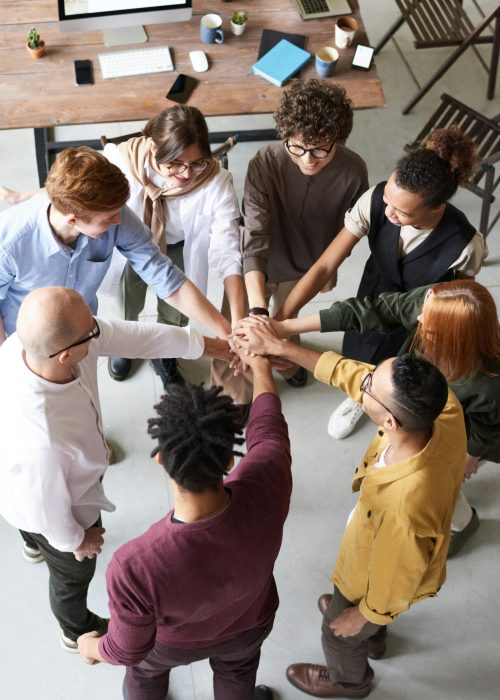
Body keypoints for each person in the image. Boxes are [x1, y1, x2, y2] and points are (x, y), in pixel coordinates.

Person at [232, 317, 466, 698]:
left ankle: (350, 680)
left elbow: (396, 581)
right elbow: (353, 375)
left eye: (371, 386)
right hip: (382, 550)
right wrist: (284, 348)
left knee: (337, 633)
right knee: (358, 614)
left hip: (376, 573)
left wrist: (363, 615)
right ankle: (375, 638)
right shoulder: (442, 406)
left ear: (389, 420)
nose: (363, 382)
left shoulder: (405, 509)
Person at [0, 286, 231, 652]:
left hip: (36, 480)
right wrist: (78, 540)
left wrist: (218, 347)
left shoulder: (28, 345)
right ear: (64, 355)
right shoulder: (43, 440)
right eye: (91, 332)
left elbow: (136, 337)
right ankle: (74, 629)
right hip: (49, 505)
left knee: (37, 531)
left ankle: (32, 544)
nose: (99, 330)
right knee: (71, 576)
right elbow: (43, 507)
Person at [77, 349, 291, 700]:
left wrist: (92, 649)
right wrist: (262, 365)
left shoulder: (134, 566)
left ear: (161, 459)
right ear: (228, 457)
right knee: (237, 673)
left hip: (170, 646)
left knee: (145, 675)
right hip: (250, 623)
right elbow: (269, 430)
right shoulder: (269, 478)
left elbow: (128, 649)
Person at [275, 125, 487, 438]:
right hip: (374, 291)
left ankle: (385, 405)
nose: (388, 213)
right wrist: (281, 319)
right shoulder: (374, 200)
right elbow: (324, 266)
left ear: (437, 207)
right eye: (387, 199)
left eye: (401, 211)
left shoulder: (466, 245)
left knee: (401, 372)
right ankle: (359, 396)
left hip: (419, 319)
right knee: (359, 347)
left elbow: (457, 299)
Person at [266, 279, 500, 555]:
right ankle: (463, 519)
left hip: (460, 438)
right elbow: (372, 311)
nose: (420, 317)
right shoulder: (432, 302)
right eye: (423, 309)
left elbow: (487, 431)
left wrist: (468, 460)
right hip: (416, 420)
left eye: (430, 325)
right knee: (441, 487)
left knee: (441, 487)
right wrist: (284, 328)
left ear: (454, 339)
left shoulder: (489, 383)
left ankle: (462, 523)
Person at [0, 146, 229, 345]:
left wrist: (227, 333)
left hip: (84, 332)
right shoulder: (9, 242)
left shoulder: (113, 212)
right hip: (22, 340)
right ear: (73, 221)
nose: (118, 221)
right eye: (109, 219)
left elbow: (164, 276)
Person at [102, 106, 249, 406]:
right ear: (154, 148)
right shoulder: (121, 160)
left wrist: (235, 322)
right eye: (175, 164)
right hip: (131, 243)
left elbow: (227, 248)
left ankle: (165, 354)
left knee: (176, 312)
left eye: (197, 163)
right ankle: (124, 346)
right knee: (127, 298)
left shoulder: (217, 181)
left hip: (179, 245)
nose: (186, 174)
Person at [241, 78, 368, 388]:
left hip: (306, 268)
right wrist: (258, 311)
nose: (307, 159)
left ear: (337, 139)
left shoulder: (353, 172)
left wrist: (327, 272)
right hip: (258, 265)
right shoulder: (264, 164)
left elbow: (345, 236)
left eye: (320, 149)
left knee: (286, 325)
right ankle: (238, 392)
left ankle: (287, 366)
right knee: (243, 328)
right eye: (296, 146)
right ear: (285, 134)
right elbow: (254, 238)